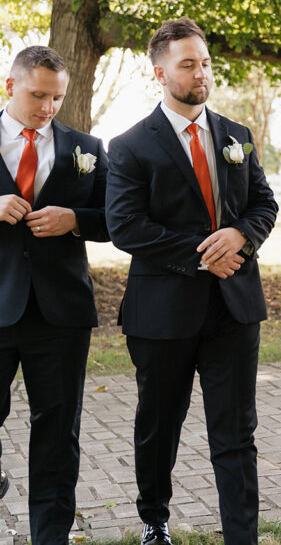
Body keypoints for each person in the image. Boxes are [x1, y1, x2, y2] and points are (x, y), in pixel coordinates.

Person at [106, 18, 278, 545]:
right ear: (159, 72)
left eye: (204, 62)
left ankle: (240, 536)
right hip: (162, 313)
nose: (200, 72)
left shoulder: (237, 136)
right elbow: (125, 225)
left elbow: (263, 205)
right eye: (188, 64)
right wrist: (206, 255)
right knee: (160, 425)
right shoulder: (130, 145)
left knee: (236, 431)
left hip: (234, 309)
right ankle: (154, 518)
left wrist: (241, 239)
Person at [0, 46, 109, 544]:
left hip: (60, 315)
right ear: (10, 86)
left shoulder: (86, 147)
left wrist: (75, 220)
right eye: (37, 95)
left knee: (57, 435)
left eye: (57, 98)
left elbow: (117, 219)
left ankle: (51, 537)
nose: (47, 107)